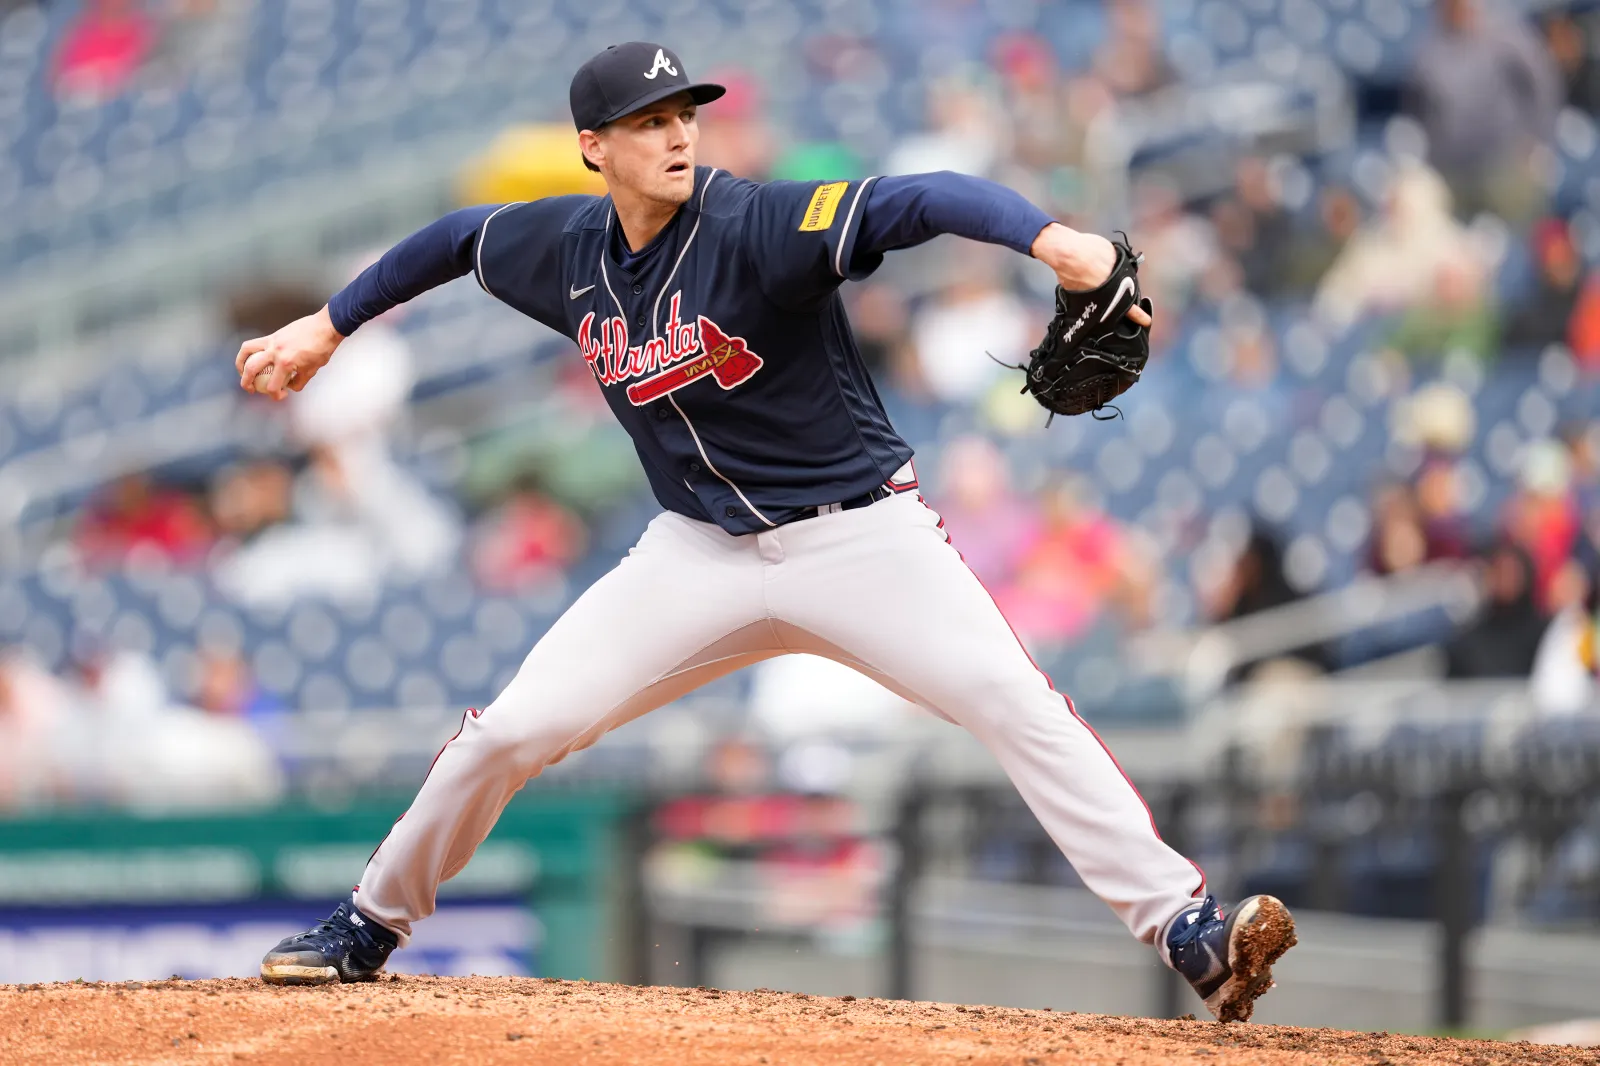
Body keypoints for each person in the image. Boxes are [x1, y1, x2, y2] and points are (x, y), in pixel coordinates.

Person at [239, 42, 1294, 1020]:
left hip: (859, 540)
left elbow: (913, 200)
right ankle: (368, 925)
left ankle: (1188, 929)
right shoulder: (562, 247)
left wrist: (1053, 241)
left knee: (1016, 703)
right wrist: (327, 325)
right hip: (696, 553)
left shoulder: (753, 223)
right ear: (594, 148)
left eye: (685, 112)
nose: (677, 135)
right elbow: (456, 238)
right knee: (509, 731)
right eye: (647, 121)